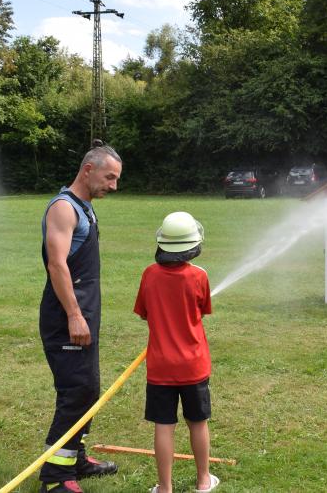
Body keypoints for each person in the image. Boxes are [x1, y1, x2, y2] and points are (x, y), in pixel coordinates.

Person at [38, 141, 122, 493]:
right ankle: (55, 478)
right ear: (88, 170)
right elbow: (56, 264)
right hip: (66, 316)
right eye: (109, 177)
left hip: (85, 313)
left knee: (87, 390)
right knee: (76, 391)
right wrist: (74, 315)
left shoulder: (85, 207)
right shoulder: (64, 208)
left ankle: (76, 459)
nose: (113, 186)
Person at [134, 211, 219, 493]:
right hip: (194, 366)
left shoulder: (149, 274)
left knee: (163, 425)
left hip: (160, 367)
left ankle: (165, 487)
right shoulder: (199, 276)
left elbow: (144, 313)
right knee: (198, 423)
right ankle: (203, 480)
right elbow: (202, 311)